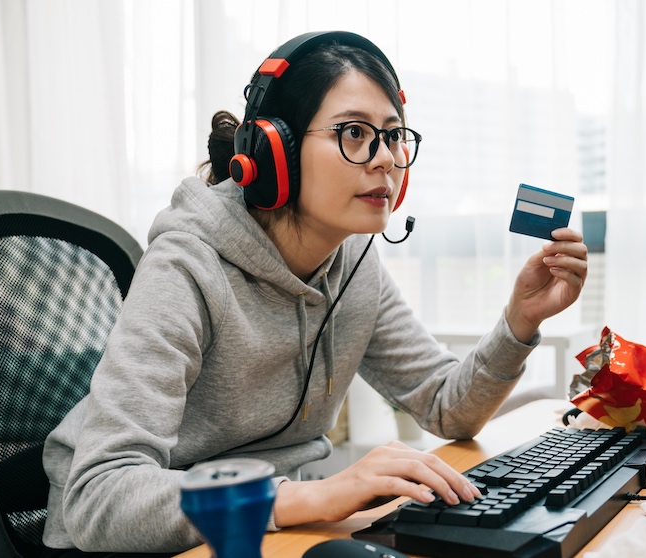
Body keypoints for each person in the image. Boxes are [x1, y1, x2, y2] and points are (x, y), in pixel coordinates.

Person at [41, 31, 588, 554]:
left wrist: (520, 322)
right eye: (353, 132)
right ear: (277, 152)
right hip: (132, 545)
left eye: (394, 135)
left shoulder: (353, 260)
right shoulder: (187, 265)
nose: (384, 159)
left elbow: (448, 410)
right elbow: (99, 498)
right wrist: (316, 495)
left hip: (261, 528)